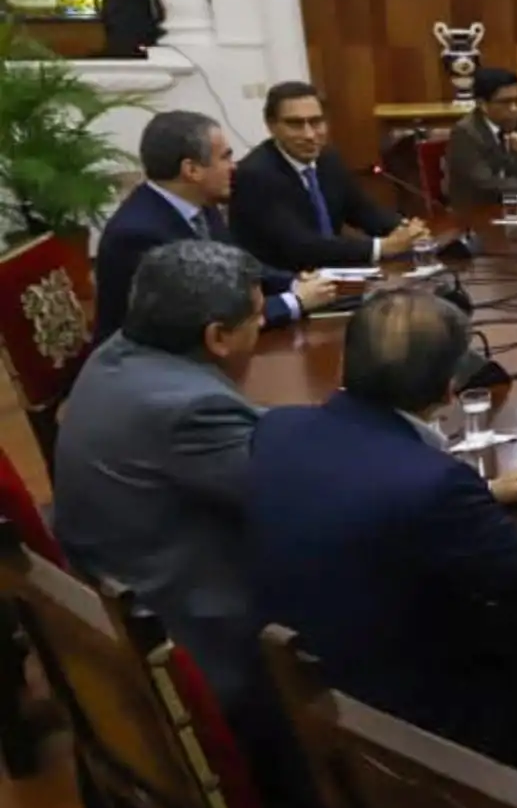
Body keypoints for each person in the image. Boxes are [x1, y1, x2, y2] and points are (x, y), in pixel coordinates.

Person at [247, 288, 517, 764]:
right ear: (450, 390)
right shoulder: (436, 485)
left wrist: (483, 496)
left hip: (296, 707)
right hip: (416, 737)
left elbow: (363, 501)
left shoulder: (277, 430)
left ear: (343, 366)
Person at [54, 241, 266, 711]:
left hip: (131, 592)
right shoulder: (188, 408)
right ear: (217, 337)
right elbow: (291, 496)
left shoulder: (120, 354)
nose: (264, 322)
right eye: (256, 316)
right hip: (200, 633)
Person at [94, 110, 334, 341]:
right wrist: (294, 302)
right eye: (225, 157)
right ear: (192, 170)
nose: (234, 166)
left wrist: (293, 282)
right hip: (149, 367)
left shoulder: (201, 205)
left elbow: (237, 266)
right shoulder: (138, 234)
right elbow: (200, 317)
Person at [230, 81, 431, 272]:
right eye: (295, 124)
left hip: (332, 276)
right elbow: (301, 247)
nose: (309, 135)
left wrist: (406, 230)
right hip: (286, 286)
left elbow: (363, 211)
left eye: (316, 122)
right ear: (271, 126)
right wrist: (382, 247)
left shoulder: (327, 159)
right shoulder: (255, 174)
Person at [445, 67, 517, 207]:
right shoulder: (466, 132)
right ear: (482, 104)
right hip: (480, 211)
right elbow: (486, 184)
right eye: (505, 102)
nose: (514, 108)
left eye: (516, 101)